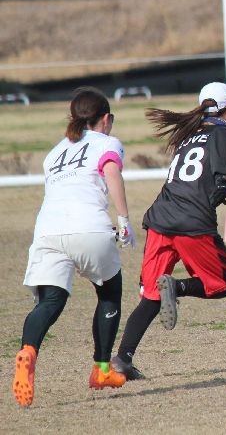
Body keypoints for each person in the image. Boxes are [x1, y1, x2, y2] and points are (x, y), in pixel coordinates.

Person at [110, 82, 226, 380]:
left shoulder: (188, 134)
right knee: (222, 284)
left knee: (151, 296)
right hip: (191, 222)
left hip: (160, 217)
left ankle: (122, 358)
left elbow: (202, 171)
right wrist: (225, 180)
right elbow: (218, 168)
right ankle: (177, 287)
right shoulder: (224, 132)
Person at [13, 87, 135, 407]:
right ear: (105, 119)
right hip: (90, 227)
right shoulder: (108, 143)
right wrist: (124, 220)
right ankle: (102, 370)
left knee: (50, 301)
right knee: (109, 291)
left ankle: (27, 351)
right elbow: (111, 172)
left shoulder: (55, 152)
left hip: (48, 231)